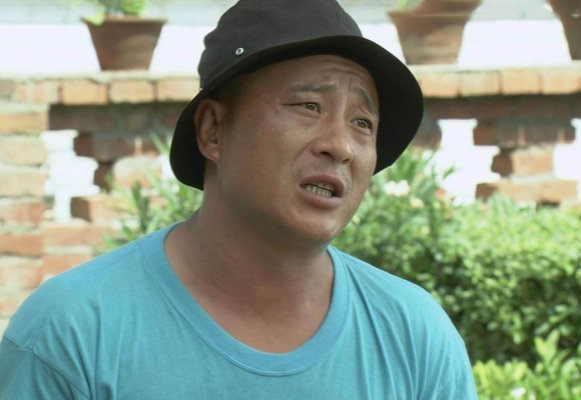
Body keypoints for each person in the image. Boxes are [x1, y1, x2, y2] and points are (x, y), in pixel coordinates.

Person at [0, 0, 478, 398]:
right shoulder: (73, 332)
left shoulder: (414, 335)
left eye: (362, 123)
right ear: (213, 130)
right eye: (309, 106)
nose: (341, 146)